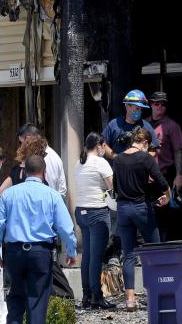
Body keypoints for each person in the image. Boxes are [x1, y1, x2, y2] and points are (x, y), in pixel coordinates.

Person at [0, 155, 78, 323]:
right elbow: (66, 228)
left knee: (16, 296)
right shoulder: (52, 195)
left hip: (14, 252)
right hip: (40, 252)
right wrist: (71, 251)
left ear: (24, 172)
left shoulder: (9, 194)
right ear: (43, 173)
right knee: (37, 301)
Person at [113, 127, 170, 312]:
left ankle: (130, 299)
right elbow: (161, 181)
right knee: (155, 249)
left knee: (128, 253)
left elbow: (116, 185)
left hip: (122, 208)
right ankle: (157, 293)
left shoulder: (118, 159)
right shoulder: (145, 158)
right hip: (141, 208)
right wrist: (167, 196)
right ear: (144, 143)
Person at [75, 133, 115, 310]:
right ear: (100, 145)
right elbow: (112, 187)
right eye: (103, 146)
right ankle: (97, 297)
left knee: (87, 256)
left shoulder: (79, 162)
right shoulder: (101, 163)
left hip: (81, 211)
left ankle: (86, 296)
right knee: (96, 258)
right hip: (97, 211)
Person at [149, 91, 182, 240]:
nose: (160, 106)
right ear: (151, 104)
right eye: (156, 103)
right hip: (146, 177)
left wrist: (179, 175)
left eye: (163, 104)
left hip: (164, 175)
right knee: (147, 213)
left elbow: (178, 151)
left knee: (164, 215)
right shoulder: (144, 124)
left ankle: (163, 246)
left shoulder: (172, 126)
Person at [103, 90, 158, 155]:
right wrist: (117, 157)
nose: (139, 111)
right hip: (117, 164)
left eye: (141, 109)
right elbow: (103, 145)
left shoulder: (146, 126)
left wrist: (143, 161)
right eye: (137, 108)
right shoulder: (114, 125)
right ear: (127, 106)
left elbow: (153, 150)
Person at [19, 125, 67, 199]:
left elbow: (49, 186)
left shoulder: (45, 158)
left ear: (27, 139)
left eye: (21, 142)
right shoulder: (52, 155)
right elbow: (62, 189)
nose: (21, 146)